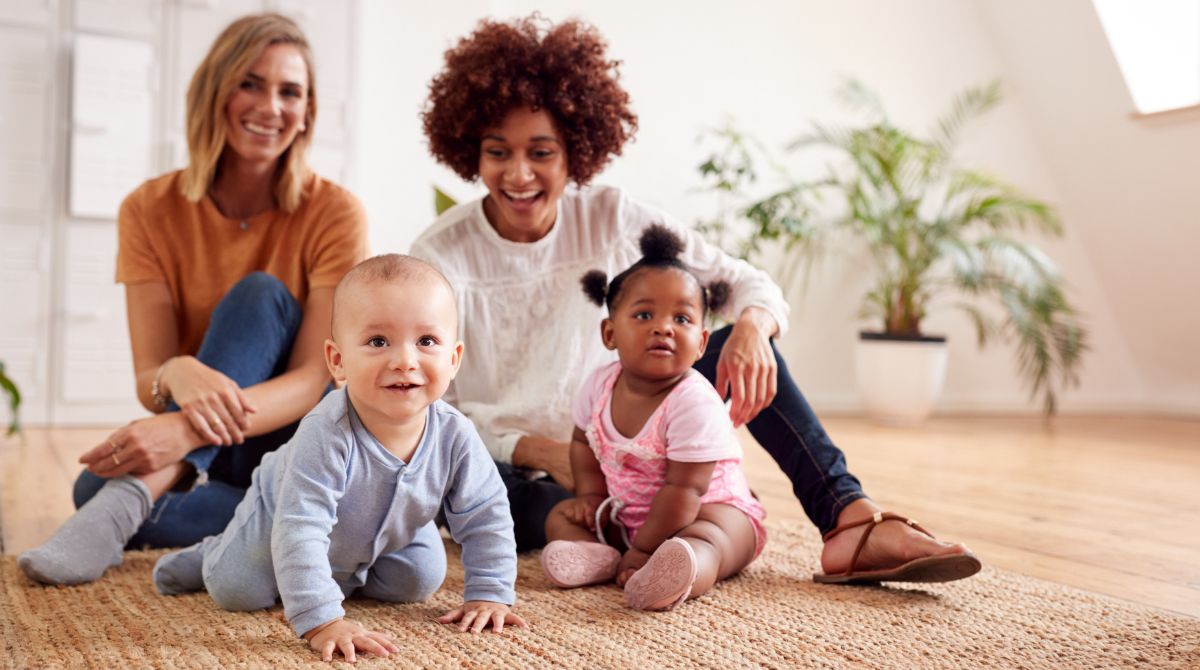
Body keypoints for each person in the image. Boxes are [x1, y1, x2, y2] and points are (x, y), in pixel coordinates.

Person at [411, 15, 981, 584]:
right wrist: (536, 449)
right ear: (470, 150)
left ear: (575, 151)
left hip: (624, 446)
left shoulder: (609, 216)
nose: (518, 174)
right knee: (517, 508)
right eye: (497, 152)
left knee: (731, 339)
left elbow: (748, 284)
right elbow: (430, 408)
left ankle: (848, 520)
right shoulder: (441, 253)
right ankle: (653, 533)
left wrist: (755, 328)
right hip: (519, 468)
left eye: (541, 153)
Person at [20, 13, 367, 585]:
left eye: (290, 92)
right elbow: (149, 373)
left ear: (307, 113)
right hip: (219, 451)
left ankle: (132, 502)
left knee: (260, 296)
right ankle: (294, 527)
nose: (270, 106)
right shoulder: (148, 209)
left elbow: (314, 379)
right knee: (91, 483)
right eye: (250, 83)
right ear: (215, 90)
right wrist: (177, 371)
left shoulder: (334, 212)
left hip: (292, 441)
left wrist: (180, 432)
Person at [152, 255, 525, 663]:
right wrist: (322, 620)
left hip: (383, 535)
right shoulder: (327, 431)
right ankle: (213, 552)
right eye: (378, 342)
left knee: (418, 579)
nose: (404, 360)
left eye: (427, 342)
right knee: (237, 589)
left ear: (453, 359)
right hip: (281, 516)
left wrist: (490, 591)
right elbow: (301, 528)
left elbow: (486, 513)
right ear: (338, 361)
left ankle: (338, 572)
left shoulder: (456, 434)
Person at [541, 225, 766, 611]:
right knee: (560, 515)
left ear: (702, 343)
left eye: (682, 319)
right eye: (644, 314)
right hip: (628, 514)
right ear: (610, 333)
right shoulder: (598, 386)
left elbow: (686, 491)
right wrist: (591, 496)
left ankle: (680, 573)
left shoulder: (693, 402)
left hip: (708, 507)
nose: (664, 327)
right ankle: (596, 556)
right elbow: (582, 444)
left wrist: (645, 548)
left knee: (711, 538)